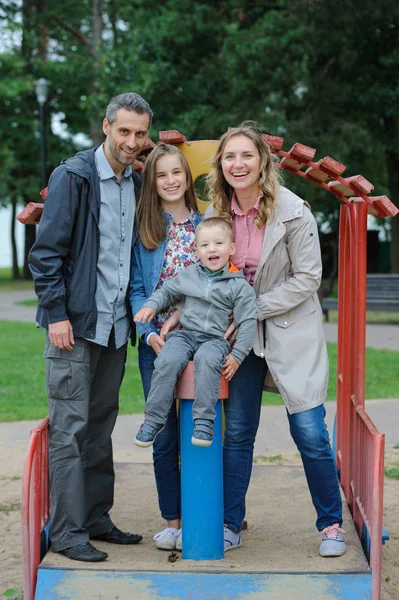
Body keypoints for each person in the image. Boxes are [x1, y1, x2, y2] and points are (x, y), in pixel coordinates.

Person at [203, 122, 346, 556]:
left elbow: (308, 278)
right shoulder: (216, 210)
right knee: (239, 432)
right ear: (221, 165)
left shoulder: (293, 209)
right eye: (230, 157)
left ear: (262, 162)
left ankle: (331, 524)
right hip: (241, 339)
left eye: (247, 155)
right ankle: (230, 522)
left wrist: (252, 307)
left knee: (308, 429)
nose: (238, 164)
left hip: (289, 329)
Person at [28, 92, 153, 563]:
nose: (132, 141)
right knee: (69, 430)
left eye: (140, 134)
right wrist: (57, 313)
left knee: (100, 429)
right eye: (124, 131)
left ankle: (97, 518)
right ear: (106, 127)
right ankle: (66, 531)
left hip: (116, 328)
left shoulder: (136, 182)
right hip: (74, 327)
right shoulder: (74, 176)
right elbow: (45, 254)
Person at [128, 142, 205, 551]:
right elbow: (138, 289)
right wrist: (149, 334)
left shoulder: (206, 226)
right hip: (155, 342)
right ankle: (173, 520)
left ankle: (215, 511)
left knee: (205, 428)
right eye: (162, 175)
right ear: (152, 183)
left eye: (177, 172)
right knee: (164, 432)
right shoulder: (146, 232)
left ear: (187, 177)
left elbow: (216, 284)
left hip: (199, 338)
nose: (171, 180)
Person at [133, 217, 257, 449]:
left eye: (218, 243)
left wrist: (238, 355)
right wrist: (151, 306)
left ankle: (203, 422)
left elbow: (248, 321)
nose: (212, 249)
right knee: (168, 358)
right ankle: (153, 420)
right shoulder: (189, 274)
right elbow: (167, 292)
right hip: (186, 333)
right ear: (196, 250)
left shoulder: (239, 286)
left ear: (231, 248)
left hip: (215, 339)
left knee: (207, 359)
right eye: (205, 245)